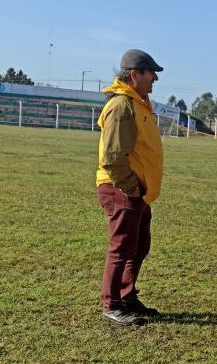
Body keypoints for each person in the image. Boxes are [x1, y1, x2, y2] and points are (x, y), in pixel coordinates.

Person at [96, 49, 164, 326]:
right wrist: (131, 187)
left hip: (138, 190)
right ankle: (112, 303)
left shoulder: (138, 103)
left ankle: (127, 296)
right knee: (122, 246)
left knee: (139, 245)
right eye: (151, 73)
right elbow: (113, 157)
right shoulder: (122, 105)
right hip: (121, 188)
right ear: (134, 75)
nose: (155, 79)